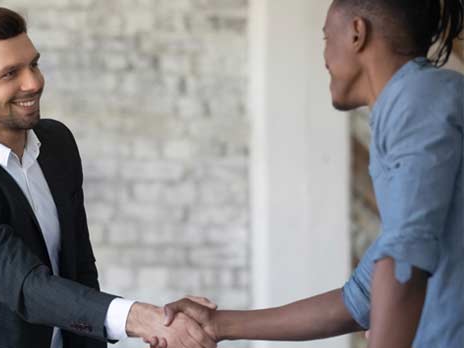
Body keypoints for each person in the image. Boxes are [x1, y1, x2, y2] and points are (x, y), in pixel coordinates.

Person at [159, 0, 464, 347]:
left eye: (325, 38)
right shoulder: (412, 106)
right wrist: (218, 324)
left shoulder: (417, 97)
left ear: (356, 33)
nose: (325, 59)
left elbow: (405, 258)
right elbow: (362, 296)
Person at [0, 6, 216, 348]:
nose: (33, 82)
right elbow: (25, 285)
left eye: (34, 64)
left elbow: (79, 263)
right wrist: (141, 319)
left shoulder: (56, 142)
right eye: (10, 73)